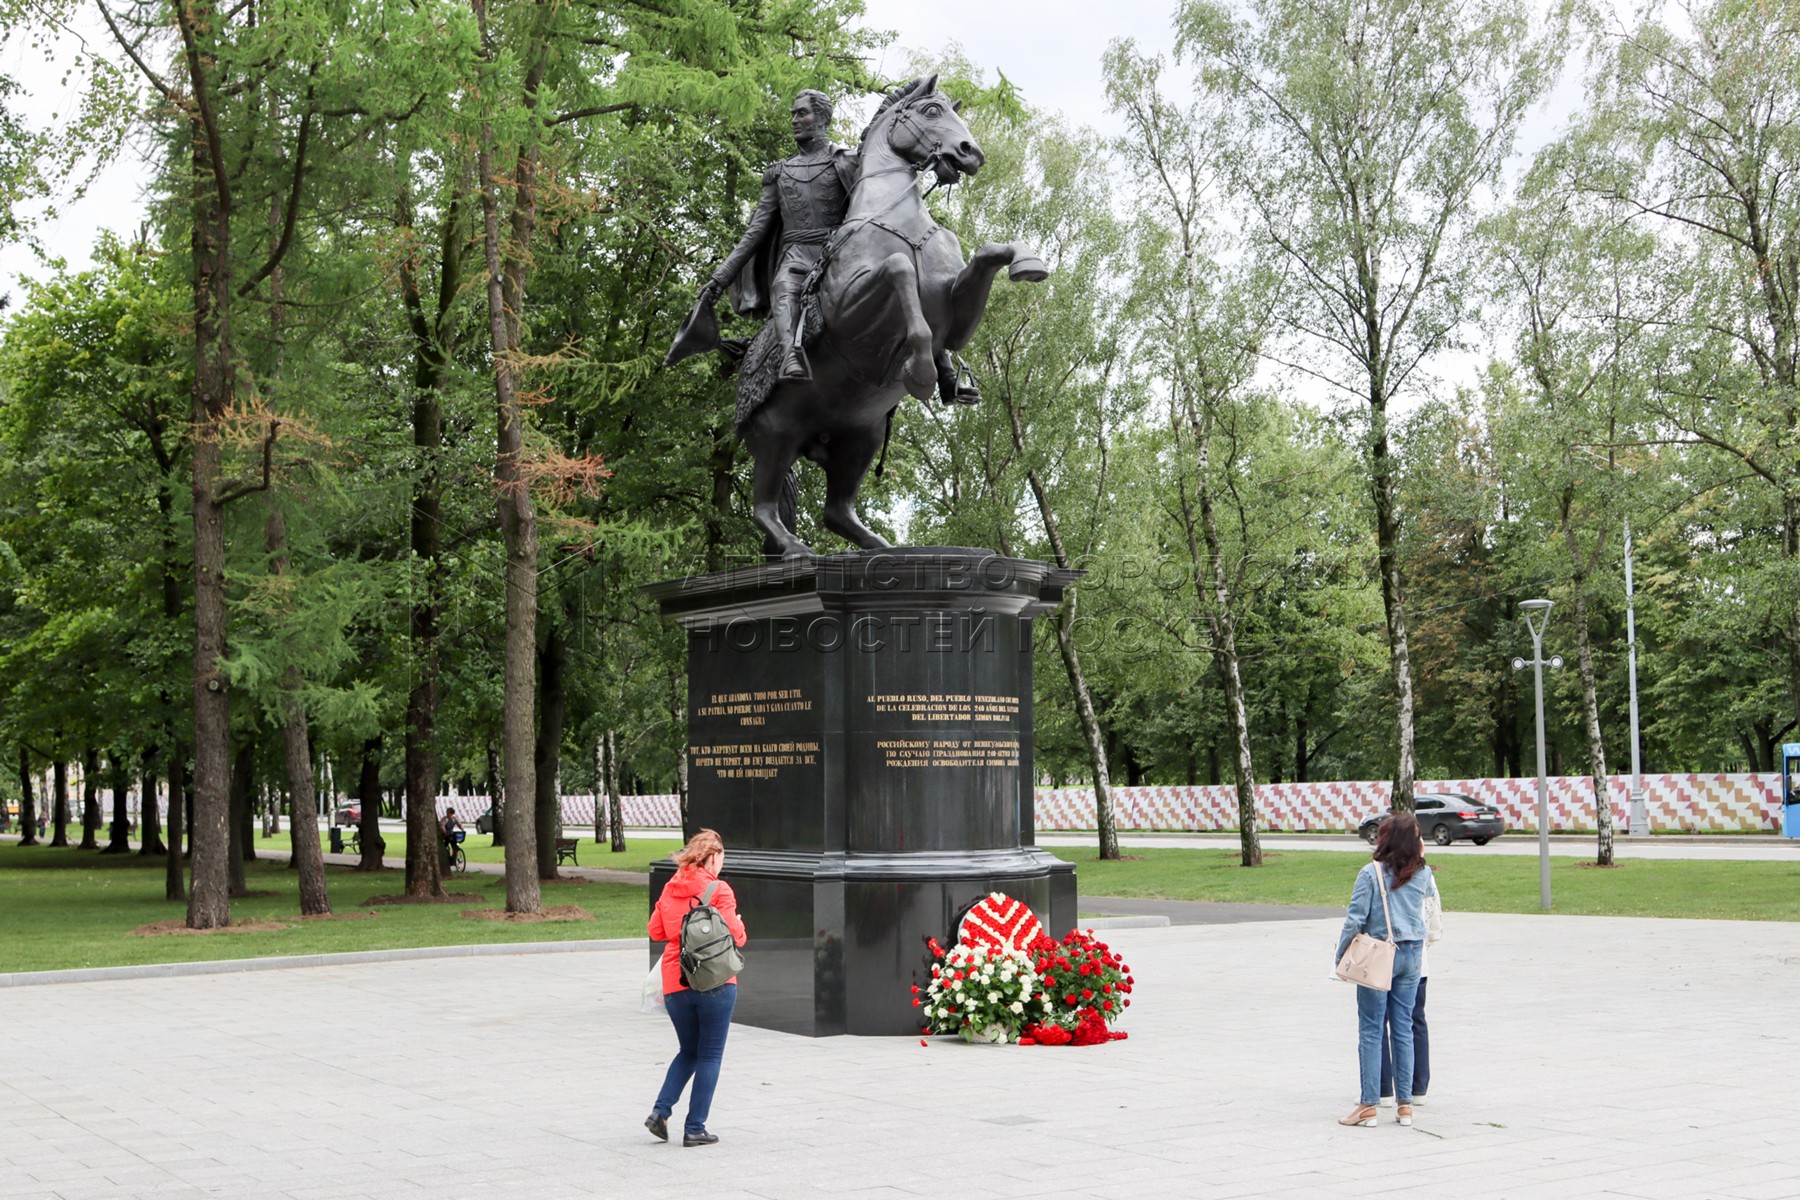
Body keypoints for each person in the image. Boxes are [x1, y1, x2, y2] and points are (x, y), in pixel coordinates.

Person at [645, 828, 746, 1148]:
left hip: (676, 981)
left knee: (689, 1050)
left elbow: (656, 931)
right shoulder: (720, 889)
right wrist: (738, 921)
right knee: (710, 1055)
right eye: (721, 858)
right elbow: (738, 937)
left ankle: (660, 1113)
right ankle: (695, 1127)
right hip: (715, 981)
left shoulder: (670, 887)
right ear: (713, 856)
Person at [1335, 812, 1434, 1128]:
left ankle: (1368, 1105)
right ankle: (1405, 1106)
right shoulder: (1423, 873)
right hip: (1412, 955)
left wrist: (1340, 957)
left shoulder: (1370, 874)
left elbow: (1355, 920)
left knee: (1371, 1028)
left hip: (1380, 955)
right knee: (1402, 1028)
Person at [1380, 867, 1442, 1107]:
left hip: (1382, 958)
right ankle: (1416, 1089)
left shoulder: (1376, 872)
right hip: (1417, 959)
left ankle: (1383, 1088)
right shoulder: (1424, 874)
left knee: (1377, 1024)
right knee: (1414, 1021)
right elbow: (1434, 917)